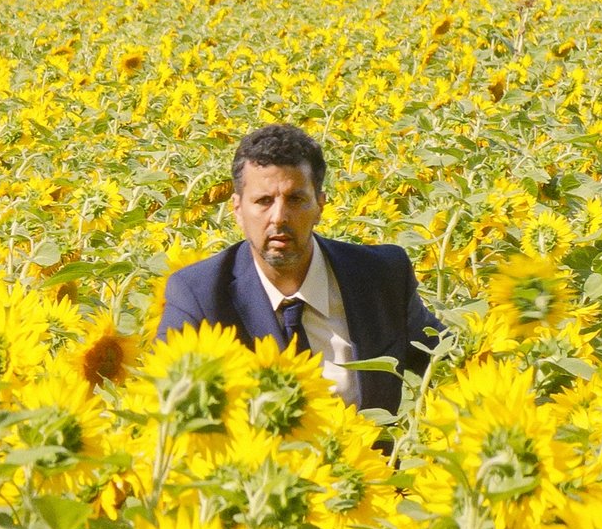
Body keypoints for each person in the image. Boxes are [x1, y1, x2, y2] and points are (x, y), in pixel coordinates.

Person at [156, 124, 442, 415]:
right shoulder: (199, 295)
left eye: (295, 199)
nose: (279, 217)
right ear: (237, 209)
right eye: (264, 201)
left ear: (320, 205)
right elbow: (167, 404)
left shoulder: (380, 277)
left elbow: (443, 361)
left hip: (368, 444)